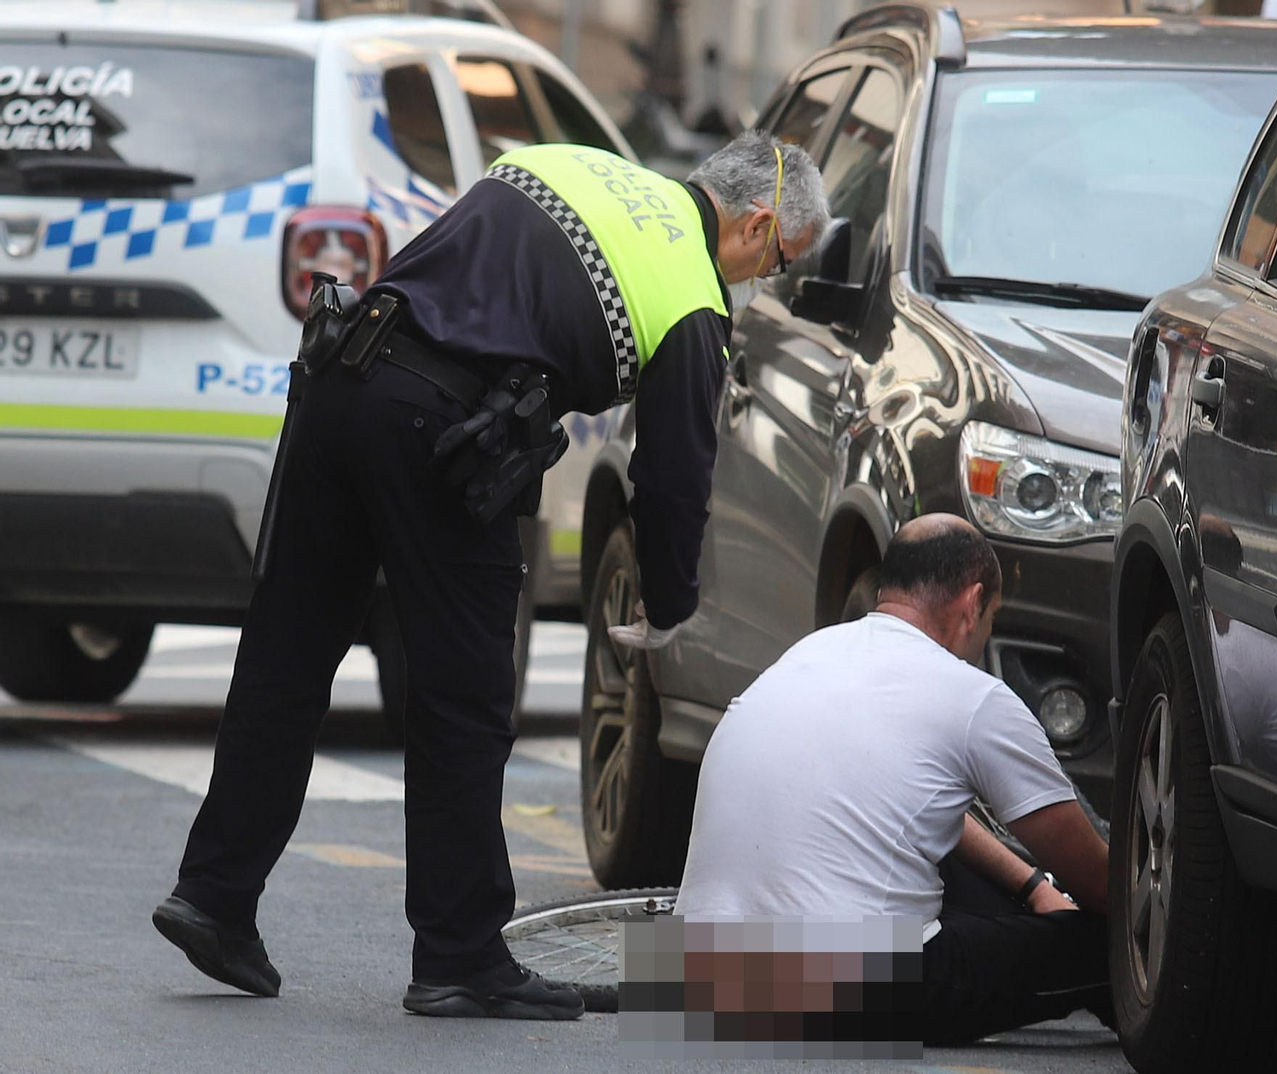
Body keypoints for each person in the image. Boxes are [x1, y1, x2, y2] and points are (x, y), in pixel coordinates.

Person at [151, 130, 829, 1019]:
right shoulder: (694, 298)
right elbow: (670, 478)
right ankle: (460, 954)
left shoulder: (566, 160)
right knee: (464, 699)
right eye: (777, 261)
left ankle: (213, 894)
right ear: (758, 223)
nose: (761, 280)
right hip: (443, 436)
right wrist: (668, 609)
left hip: (341, 382)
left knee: (285, 658)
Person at [673, 513, 1112, 1045]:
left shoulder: (808, 655)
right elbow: (1097, 884)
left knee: (923, 846)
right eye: (991, 617)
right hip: (843, 988)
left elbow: (903, 804)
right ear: (973, 603)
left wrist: (1032, 886)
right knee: (1110, 946)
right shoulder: (973, 697)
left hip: (696, 979)